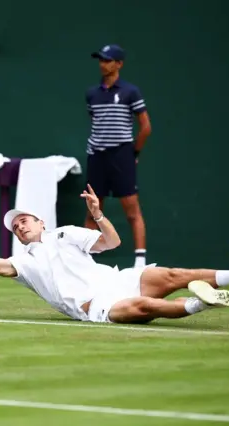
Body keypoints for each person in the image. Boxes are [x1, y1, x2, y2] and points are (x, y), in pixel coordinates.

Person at [0, 184, 229, 324]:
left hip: (118, 280)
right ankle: (202, 303)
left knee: (171, 275)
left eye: (24, 219)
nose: (20, 226)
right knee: (146, 307)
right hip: (97, 306)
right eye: (15, 227)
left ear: (41, 222)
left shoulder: (65, 233)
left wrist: (97, 213)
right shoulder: (22, 262)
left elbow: (111, 243)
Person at [85, 44, 152, 268]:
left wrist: (133, 153)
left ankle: (140, 262)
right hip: (96, 156)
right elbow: (96, 124)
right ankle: (84, 259)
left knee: (132, 210)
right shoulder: (92, 94)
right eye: (101, 60)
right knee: (93, 207)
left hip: (121, 155)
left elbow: (145, 127)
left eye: (108, 60)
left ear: (119, 64)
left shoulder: (130, 91)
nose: (103, 64)